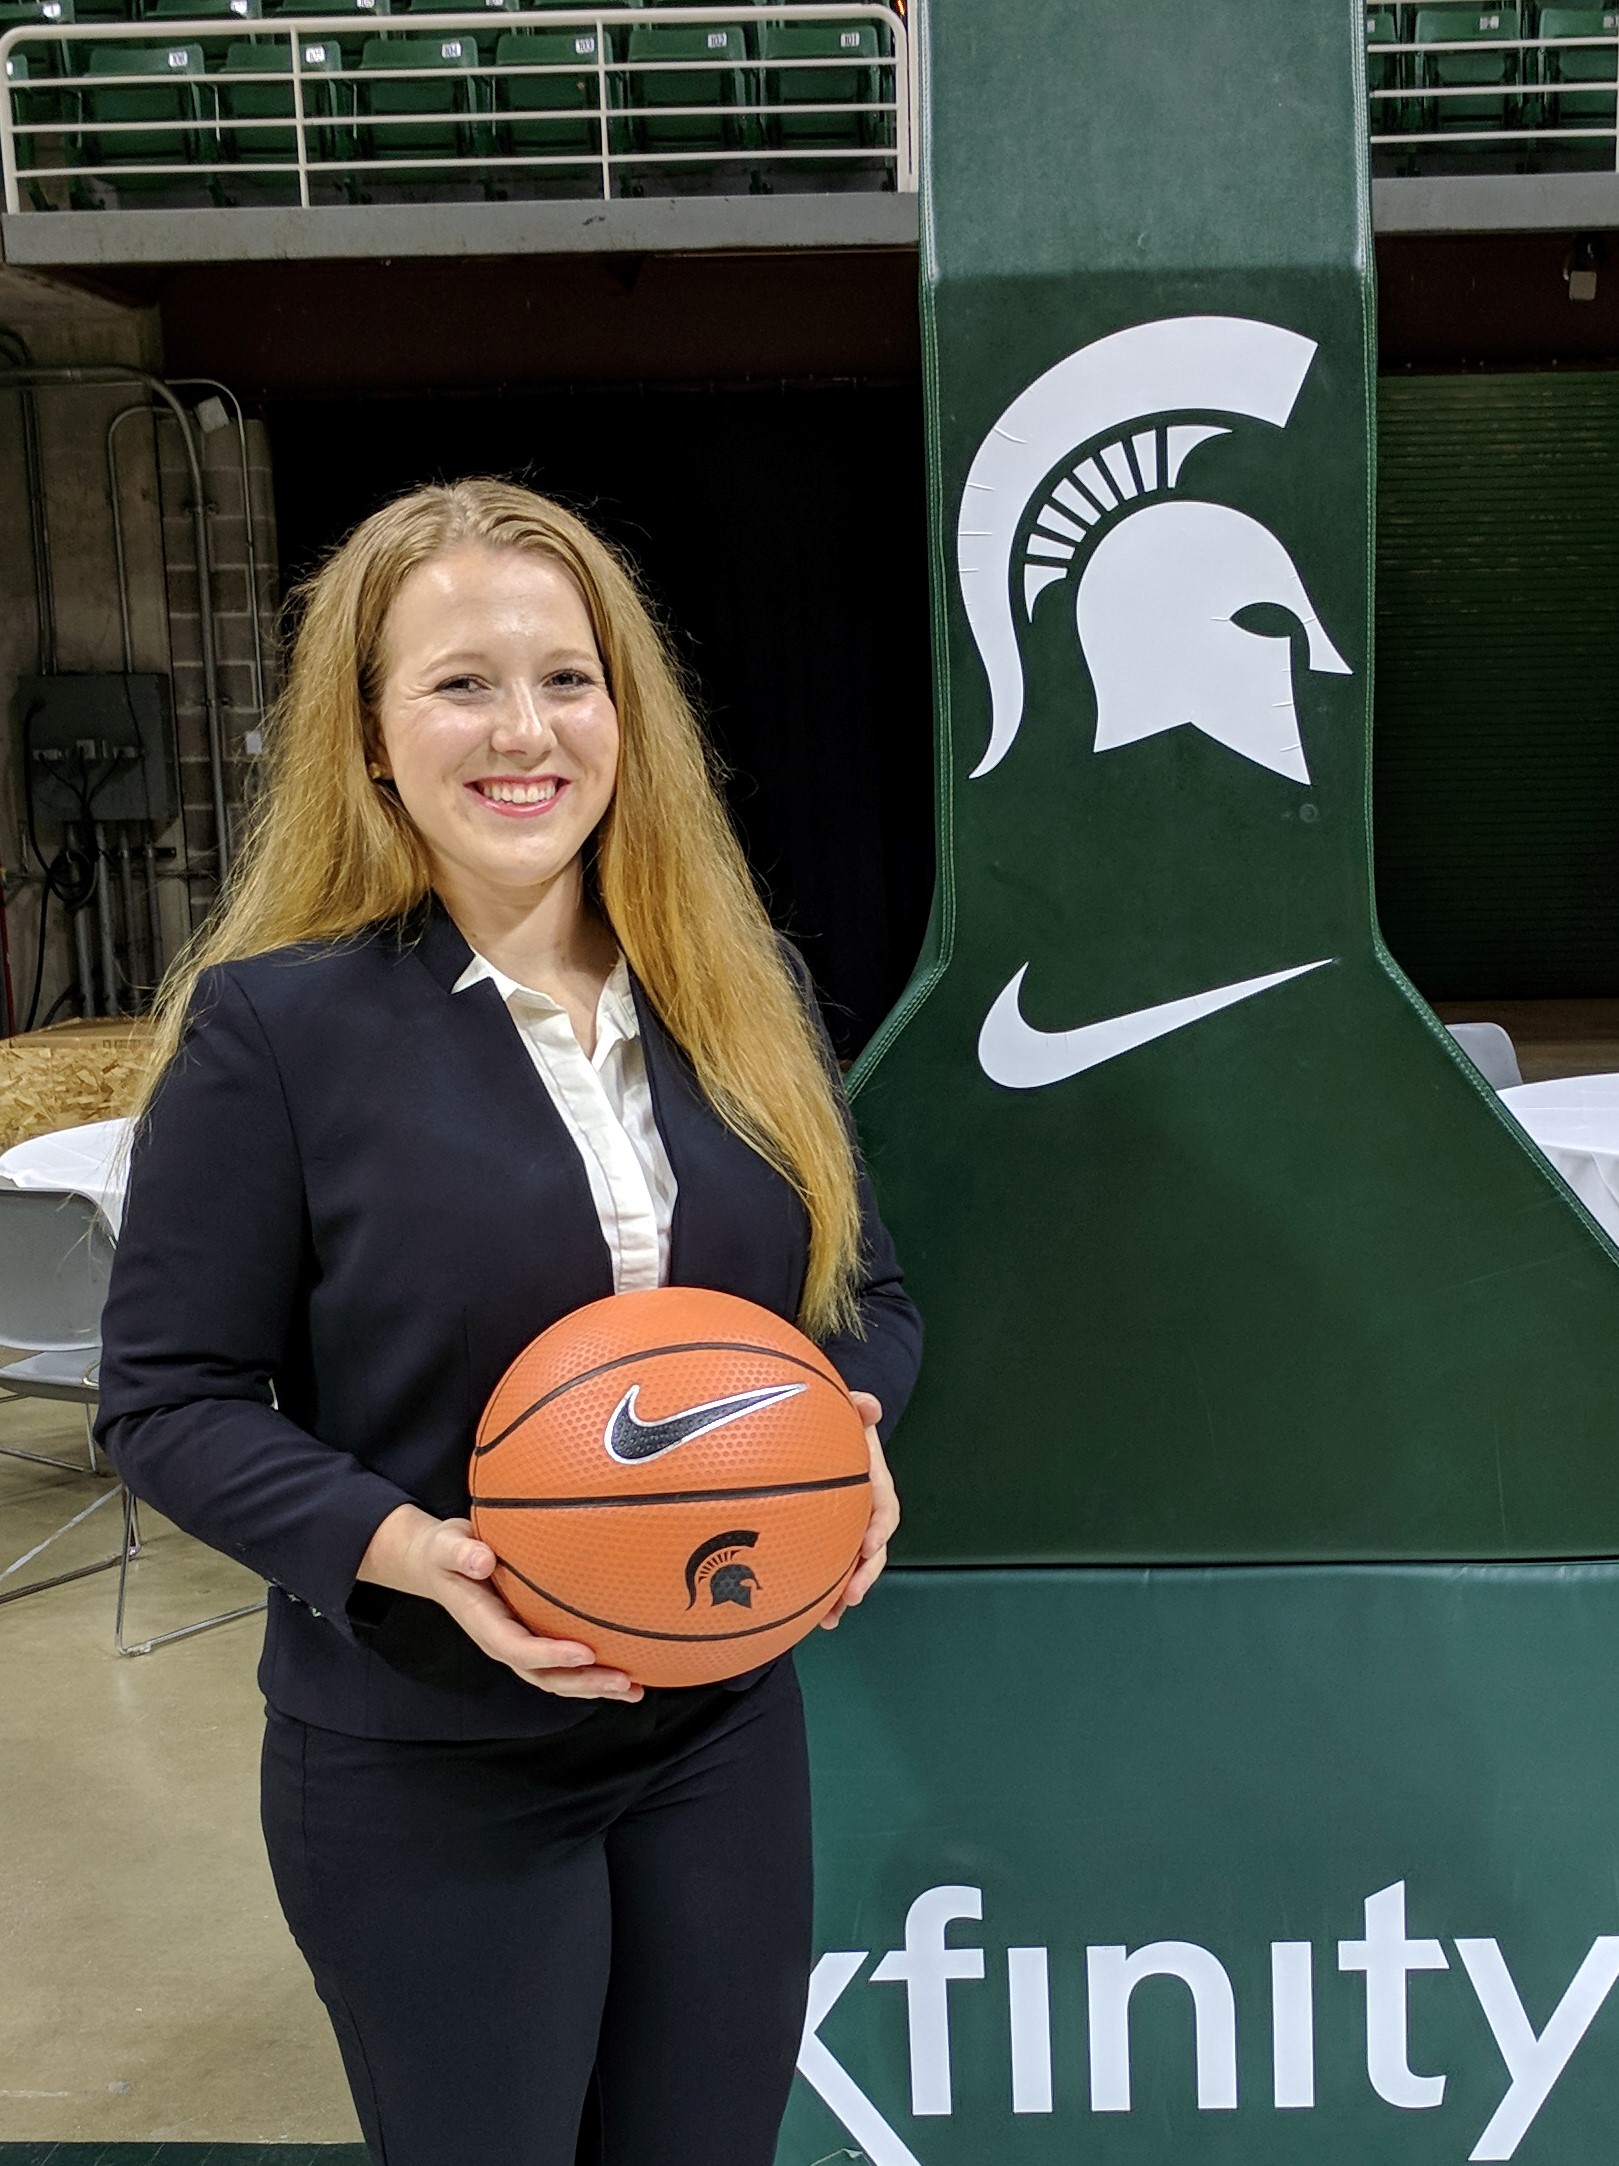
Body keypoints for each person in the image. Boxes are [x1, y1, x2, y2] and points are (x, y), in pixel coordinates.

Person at [95, 478, 923, 2166]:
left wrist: (847, 1433)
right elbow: (167, 1400)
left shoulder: (733, 980)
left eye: (567, 676)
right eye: (462, 682)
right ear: (373, 735)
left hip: (717, 1727)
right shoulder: (277, 1032)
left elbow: (868, 1300)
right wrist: (417, 1553)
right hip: (423, 1757)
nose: (522, 729)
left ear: (629, 714)